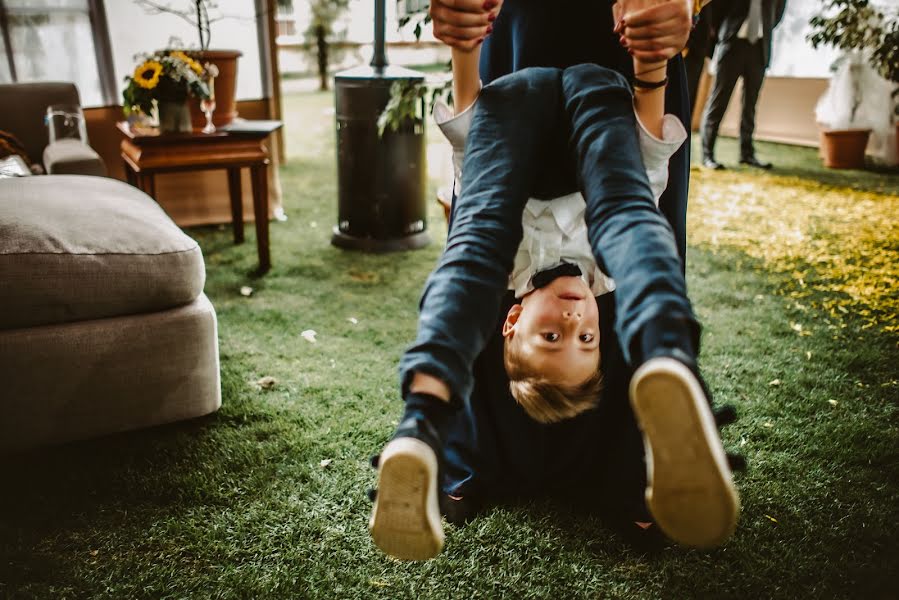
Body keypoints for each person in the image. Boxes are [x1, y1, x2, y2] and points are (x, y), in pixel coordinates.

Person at [368, 1, 738, 562]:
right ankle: (668, 354)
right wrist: (651, 62)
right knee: (630, 212)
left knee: (472, 246)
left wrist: (464, 49)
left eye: (550, 337)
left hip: (510, 102)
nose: (573, 322)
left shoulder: (510, 275)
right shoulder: (605, 278)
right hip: (603, 93)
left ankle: (422, 422)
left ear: (512, 321)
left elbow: (469, 142)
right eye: (587, 339)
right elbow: (646, 161)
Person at [700, 0, 787, 170]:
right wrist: (723, 33)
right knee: (718, 102)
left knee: (750, 106)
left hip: (759, 48)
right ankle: (707, 154)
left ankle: (747, 155)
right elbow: (716, 9)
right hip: (732, 45)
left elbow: (776, 16)